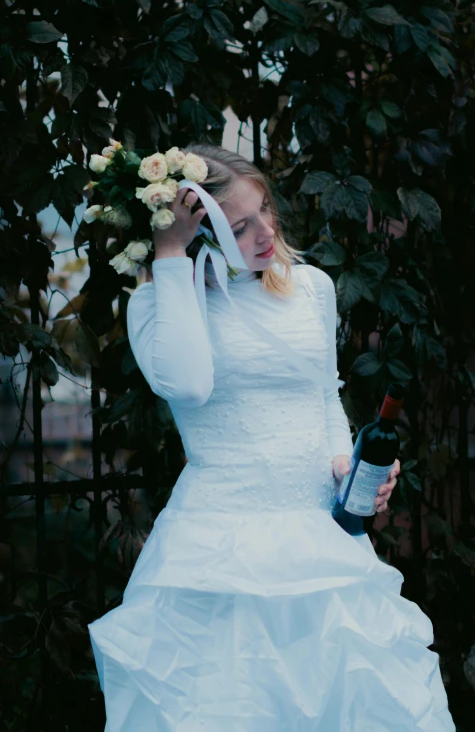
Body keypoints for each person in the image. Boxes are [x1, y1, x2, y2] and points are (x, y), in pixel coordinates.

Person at [88, 143, 455, 731]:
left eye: (266, 212)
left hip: (319, 541)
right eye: (240, 225)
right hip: (218, 549)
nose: (265, 233)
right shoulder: (160, 301)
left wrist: (347, 463)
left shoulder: (310, 288)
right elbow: (187, 386)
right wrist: (171, 252)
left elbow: (323, 396)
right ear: (196, 228)